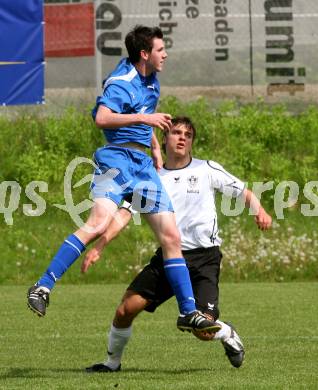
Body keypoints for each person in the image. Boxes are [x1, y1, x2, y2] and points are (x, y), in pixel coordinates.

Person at [27, 26, 218, 334]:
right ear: (145, 54)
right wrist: (145, 120)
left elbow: (144, 115)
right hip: (115, 160)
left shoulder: (150, 80)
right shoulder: (122, 82)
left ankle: (187, 311)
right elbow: (102, 118)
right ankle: (43, 286)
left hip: (142, 165)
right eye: (160, 49)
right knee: (99, 223)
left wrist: (154, 144)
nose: (165, 54)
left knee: (171, 237)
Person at [82, 116, 272, 372]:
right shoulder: (150, 177)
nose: (182, 137)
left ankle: (227, 333)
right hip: (169, 259)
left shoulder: (206, 169)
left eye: (188, 134)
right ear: (165, 139)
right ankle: (111, 363)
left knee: (202, 330)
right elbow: (125, 214)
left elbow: (242, 191)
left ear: (191, 142)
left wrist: (259, 211)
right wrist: (100, 246)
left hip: (204, 259)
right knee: (125, 310)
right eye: (176, 132)